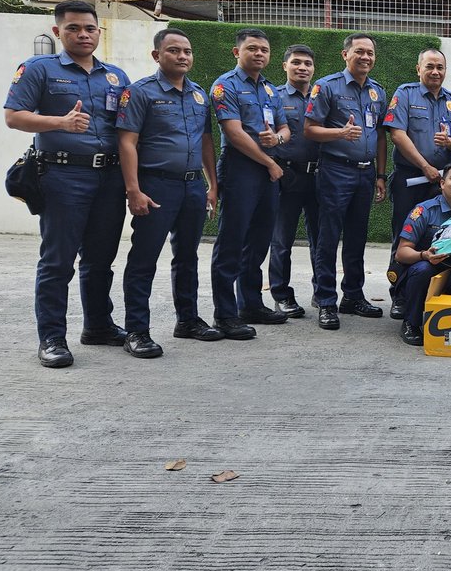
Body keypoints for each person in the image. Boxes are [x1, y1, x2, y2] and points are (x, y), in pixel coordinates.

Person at [4, 0, 130, 367]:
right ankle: (52, 339)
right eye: (74, 28)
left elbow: (124, 128)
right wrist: (59, 123)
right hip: (63, 175)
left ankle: (98, 326)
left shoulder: (115, 76)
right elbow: (14, 117)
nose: (83, 34)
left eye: (89, 28)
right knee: (58, 261)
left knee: (100, 258)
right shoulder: (38, 69)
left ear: (98, 32)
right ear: (59, 32)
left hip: (109, 177)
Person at [116, 27, 222, 357]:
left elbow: (206, 142)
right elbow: (126, 142)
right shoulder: (140, 93)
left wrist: (212, 184)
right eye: (174, 51)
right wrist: (133, 189)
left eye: (187, 51)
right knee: (144, 258)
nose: (182, 56)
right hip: (156, 185)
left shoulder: (199, 95)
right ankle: (137, 330)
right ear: (157, 55)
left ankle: (187, 320)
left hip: (192, 186)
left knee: (187, 256)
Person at [209, 28, 290, 340]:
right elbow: (233, 132)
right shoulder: (224, 86)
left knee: (258, 241)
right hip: (241, 167)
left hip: (267, 173)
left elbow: (285, 129)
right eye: (252, 48)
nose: (259, 54)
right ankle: (225, 315)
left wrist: (278, 138)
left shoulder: (270, 90)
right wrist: (270, 161)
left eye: (264, 50)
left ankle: (251, 304)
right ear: (236, 52)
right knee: (231, 242)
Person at [304, 33, 387, 329]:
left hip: (366, 173)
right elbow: (310, 129)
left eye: (370, 53)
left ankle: (352, 295)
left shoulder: (378, 91)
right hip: (335, 171)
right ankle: (326, 300)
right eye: (359, 52)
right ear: (345, 55)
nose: (365, 57)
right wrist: (340, 133)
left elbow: (378, 135)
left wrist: (379, 174)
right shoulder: (326, 87)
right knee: (328, 238)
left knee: (357, 237)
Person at [384, 48, 451, 317]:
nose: (435, 72)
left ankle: (433, 293)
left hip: (440, 182)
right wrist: (425, 166)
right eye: (430, 66)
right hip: (410, 179)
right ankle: (399, 295)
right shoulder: (405, 93)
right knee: (404, 237)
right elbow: (397, 134)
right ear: (419, 69)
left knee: (440, 238)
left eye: (440, 67)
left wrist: (449, 153)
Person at [393, 162, 451, 346]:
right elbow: (401, 253)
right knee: (423, 269)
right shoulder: (423, 211)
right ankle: (411, 322)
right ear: (442, 183)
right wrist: (424, 255)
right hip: (421, 271)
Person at [268, 45, 320, 319]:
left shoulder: (323, 96)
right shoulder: (274, 97)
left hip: (320, 176)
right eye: (296, 62)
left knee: (321, 240)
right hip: (287, 175)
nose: (302, 67)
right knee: (281, 240)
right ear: (284, 66)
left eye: (308, 64)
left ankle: (321, 293)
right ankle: (282, 295)